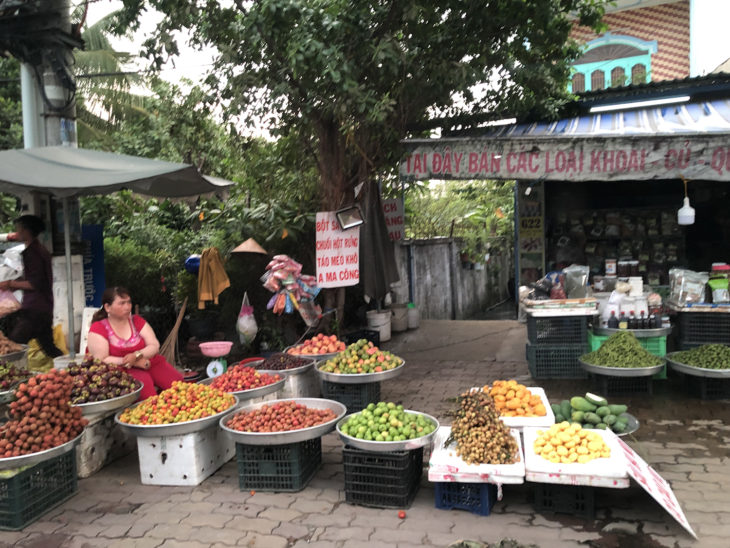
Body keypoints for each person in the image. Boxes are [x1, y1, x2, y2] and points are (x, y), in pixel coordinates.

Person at [86, 286, 183, 400]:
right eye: (121, 303)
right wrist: (131, 362)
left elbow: (154, 345)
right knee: (146, 393)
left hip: (145, 361)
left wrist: (136, 356)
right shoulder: (98, 328)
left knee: (178, 384)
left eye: (129, 302)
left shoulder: (136, 321)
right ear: (107, 307)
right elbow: (101, 359)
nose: (127, 307)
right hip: (117, 370)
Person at [0, 215, 63, 358]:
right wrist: (14, 286)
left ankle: (10, 376)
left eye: (19, 229)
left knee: (13, 345)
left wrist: (10, 284)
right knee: (49, 348)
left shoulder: (32, 253)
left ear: (26, 231)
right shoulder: (40, 250)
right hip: (44, 307)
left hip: (34, 308)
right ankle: (68, 369)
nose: (17, 232)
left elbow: (35, 283)